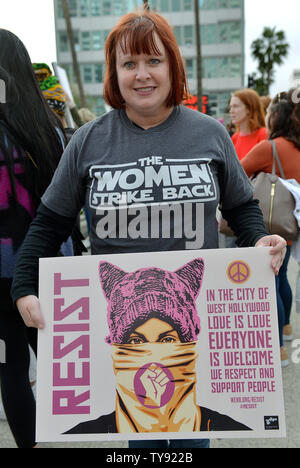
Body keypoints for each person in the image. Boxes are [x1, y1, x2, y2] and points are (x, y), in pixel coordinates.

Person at [11, 10, 286, 449]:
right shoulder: (87, 141)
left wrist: (258, 241)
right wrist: (24, 285)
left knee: (194, 443)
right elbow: (48, 223)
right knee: (142, 445)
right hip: (123, 332)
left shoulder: (211, 134)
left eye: (154, 61)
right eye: (129, 64)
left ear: (172, 67)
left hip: (196, 329)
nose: (142, 75)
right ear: (114, 73)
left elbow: (242, 207)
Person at [65, 259, 251, 439]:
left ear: (190, 345)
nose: (153, 360)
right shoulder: (84, 431)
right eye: (136, 341)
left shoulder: (232, 427)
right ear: (116, 350)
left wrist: (257, 236)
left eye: (167, 339)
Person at [0, 29, 67, 448]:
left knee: (11, 366)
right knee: (64, 358)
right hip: (52, 262)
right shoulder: (51, 129)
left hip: (3, 268)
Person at [241, 89, 300, 367]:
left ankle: (278, 351)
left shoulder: (270, 147)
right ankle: (287, 329)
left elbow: (236, 172)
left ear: (275, 117)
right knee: (283, 277)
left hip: (270, 225)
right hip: (291, 226)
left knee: (271, 284)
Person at [229, 88, 268, 161]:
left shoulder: (264, 134)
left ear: (249, 109)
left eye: (236, 106)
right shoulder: (234, 138)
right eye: (231, 106)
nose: (231, 111)